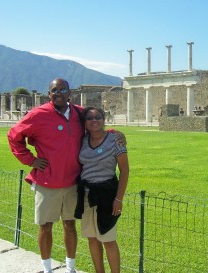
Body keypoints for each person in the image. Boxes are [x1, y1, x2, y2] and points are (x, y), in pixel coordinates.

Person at [8, 78, 125, 273]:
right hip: (47, 181)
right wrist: (30, 160)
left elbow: (95, 125)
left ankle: (70, 267)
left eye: (63, 89)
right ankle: (47, 268)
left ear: (70, 93)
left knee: (69, 225)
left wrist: (115, 132)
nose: (59, 93)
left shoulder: (79, 113)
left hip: (73, 182)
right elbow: (14, 136)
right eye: (55, 90)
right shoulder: (38, 114)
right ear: (49, 94)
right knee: (45, 226)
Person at [74, 107, 129, 273]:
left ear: (104, 120)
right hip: (87, 194)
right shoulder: (83, 140)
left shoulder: (115, 140)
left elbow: (125, 170)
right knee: (92, 238)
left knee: (108, 239)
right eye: (89, 118)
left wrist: (118, 199)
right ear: (85, 122)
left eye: (98, 117)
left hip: (107, 194)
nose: (94, 120)